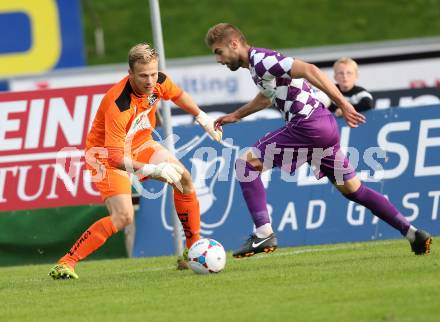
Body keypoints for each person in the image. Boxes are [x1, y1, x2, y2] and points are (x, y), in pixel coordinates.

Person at [205, 23, 432, 258]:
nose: (219, 60)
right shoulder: (257, 67)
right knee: (354, 190)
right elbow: (266, 97)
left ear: (233, 44)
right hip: (323, 126)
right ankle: (413, 233)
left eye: (218, 52)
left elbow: (311, 70)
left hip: (307, 125)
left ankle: (263, 233)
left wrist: (344, 103)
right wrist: (235, 116)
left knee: (245, 164)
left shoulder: (262, 59)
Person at [49, 43, 222, 279]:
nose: (150, 80)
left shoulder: (158, 81)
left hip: (141, 144)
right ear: (130, 74)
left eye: (153, 73)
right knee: (124, 217)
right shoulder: (118, 104)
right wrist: (153, 169)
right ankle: (65, 263)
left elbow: (178, 95)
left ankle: (192, 251)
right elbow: (116, 158)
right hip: (105, 157)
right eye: (143, 76)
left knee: (184, 180)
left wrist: (202, 117)